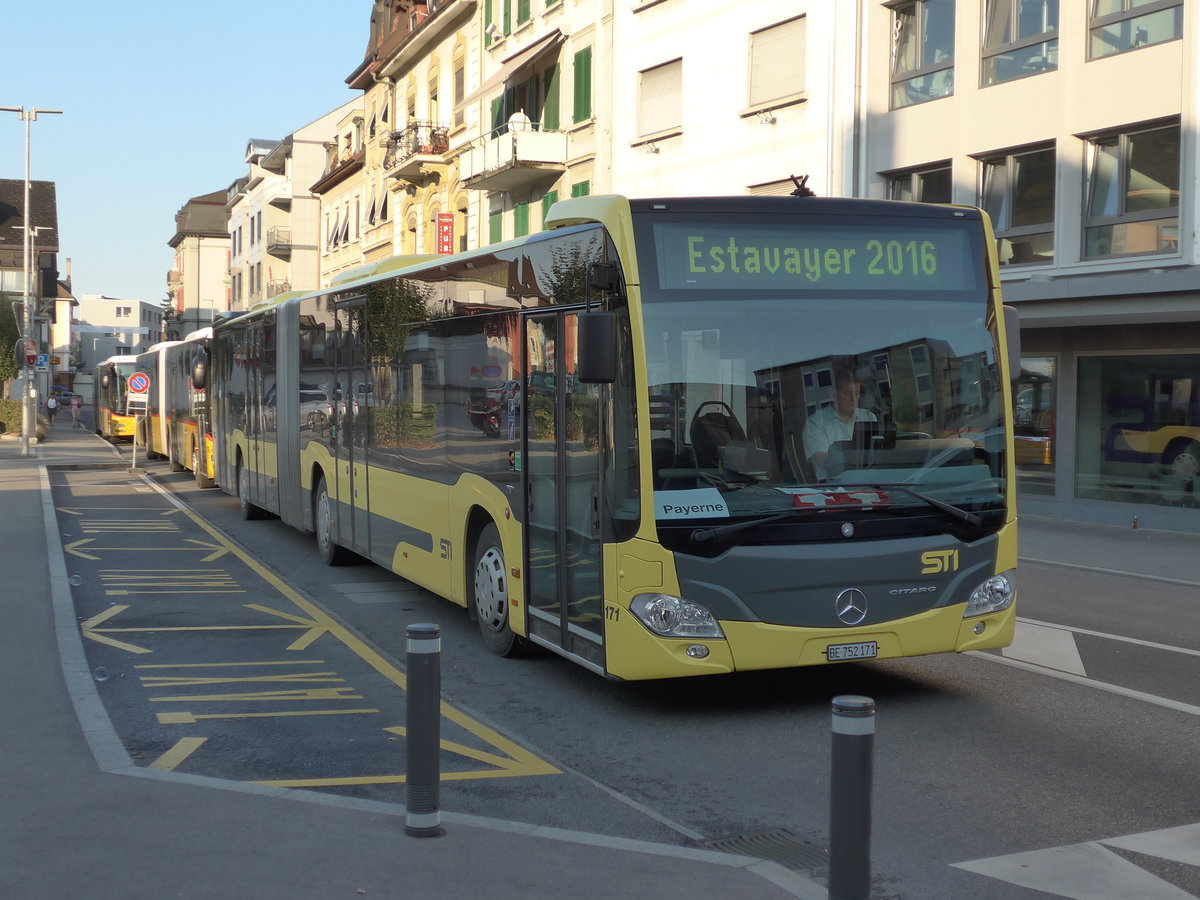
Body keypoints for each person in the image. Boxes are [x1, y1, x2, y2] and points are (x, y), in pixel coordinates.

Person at [802, 363, 876, 479]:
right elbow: (823, 460)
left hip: (870, 484)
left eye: (856, 394)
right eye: (847, 394)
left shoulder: (868, 417)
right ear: (832, 393)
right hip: (833, 489)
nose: (853, 399)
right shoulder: (815, 422)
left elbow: (879, 455)